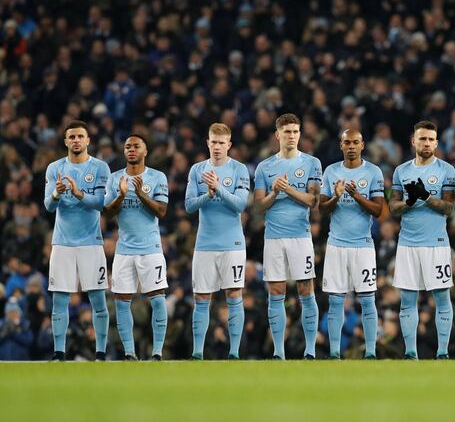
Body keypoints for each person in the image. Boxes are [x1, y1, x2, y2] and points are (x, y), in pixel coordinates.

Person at [253, 113, 322, 359]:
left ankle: (310, 350)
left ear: (300, 134)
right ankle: (278, 352)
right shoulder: (264, 167)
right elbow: (258, 206)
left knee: (306, 290)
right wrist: (274, 192)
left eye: (295, 131)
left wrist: (288, 189)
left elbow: (313, 201)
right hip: (273, 238)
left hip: (300, 237)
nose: (291, 136)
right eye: (287, 132)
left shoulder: (312, 163)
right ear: (277, 135)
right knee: (276, 292)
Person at [389, 120, 455, 360]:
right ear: (413, 141)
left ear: (436, 143)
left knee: (442, 297)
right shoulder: (401, 171)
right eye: (422, 139)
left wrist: (426, 196)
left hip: (436, 243)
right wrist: (409, 201)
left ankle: (443, 352)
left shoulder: (447, 170)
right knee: (407, 299)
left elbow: (449, 208)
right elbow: (393, 207)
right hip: (407, 244)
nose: (426, 143)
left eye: (430, 139)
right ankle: (411, 353)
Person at [44, 120, 111, 361]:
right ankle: (59, 352)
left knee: (98, 298)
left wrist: (77, 192)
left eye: (80, 136)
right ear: (65, 141)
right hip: (62, 242)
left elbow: (102, 203)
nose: (76, 140)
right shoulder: (55, 168)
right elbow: (48, 206)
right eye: (71, 137)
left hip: (91, 243)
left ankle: (100, 352)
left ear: (88, 140)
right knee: (60, 299)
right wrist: (56, 193)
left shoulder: (100, 167)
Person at [185, 123, 250, 360]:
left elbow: (240, 205)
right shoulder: (197, 170)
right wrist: (208, 194)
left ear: (229, 145)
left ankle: (234, 352)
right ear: (208, 143)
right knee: (201, 297)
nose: (217, 147)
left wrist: (218, 188)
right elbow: (189, 206)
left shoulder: (239, 169)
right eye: (213, 142)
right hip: (205, 244)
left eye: (222, 143)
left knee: (234, 295)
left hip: (232, 244)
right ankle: (197, 353)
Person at [319, 129, 385, 359]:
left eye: (355, 142)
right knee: (335, 300)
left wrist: (357, 195)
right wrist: (336, 196)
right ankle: (334, 352)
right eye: (347, 143)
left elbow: (378, 210)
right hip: (336, 245)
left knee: (367, 300)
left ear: (362, 145)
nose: (351, 147)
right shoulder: (331, 171)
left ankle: (371, 352)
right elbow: (322, 209)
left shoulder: (373, 172)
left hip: (363, 246)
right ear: (341, 145)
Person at [104, 134, 170, 360]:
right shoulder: (115, 178)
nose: (131, 149)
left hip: (151, 248)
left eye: (136, 146)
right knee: (122, 301)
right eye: (127, 146)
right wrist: (121, 195)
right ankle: (130, 353)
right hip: (124, 249)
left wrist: (141, 194)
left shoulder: (157, 177)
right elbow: (107, 213)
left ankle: (157, 352)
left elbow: (161, 211)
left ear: (145, 151)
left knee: (157, 297)